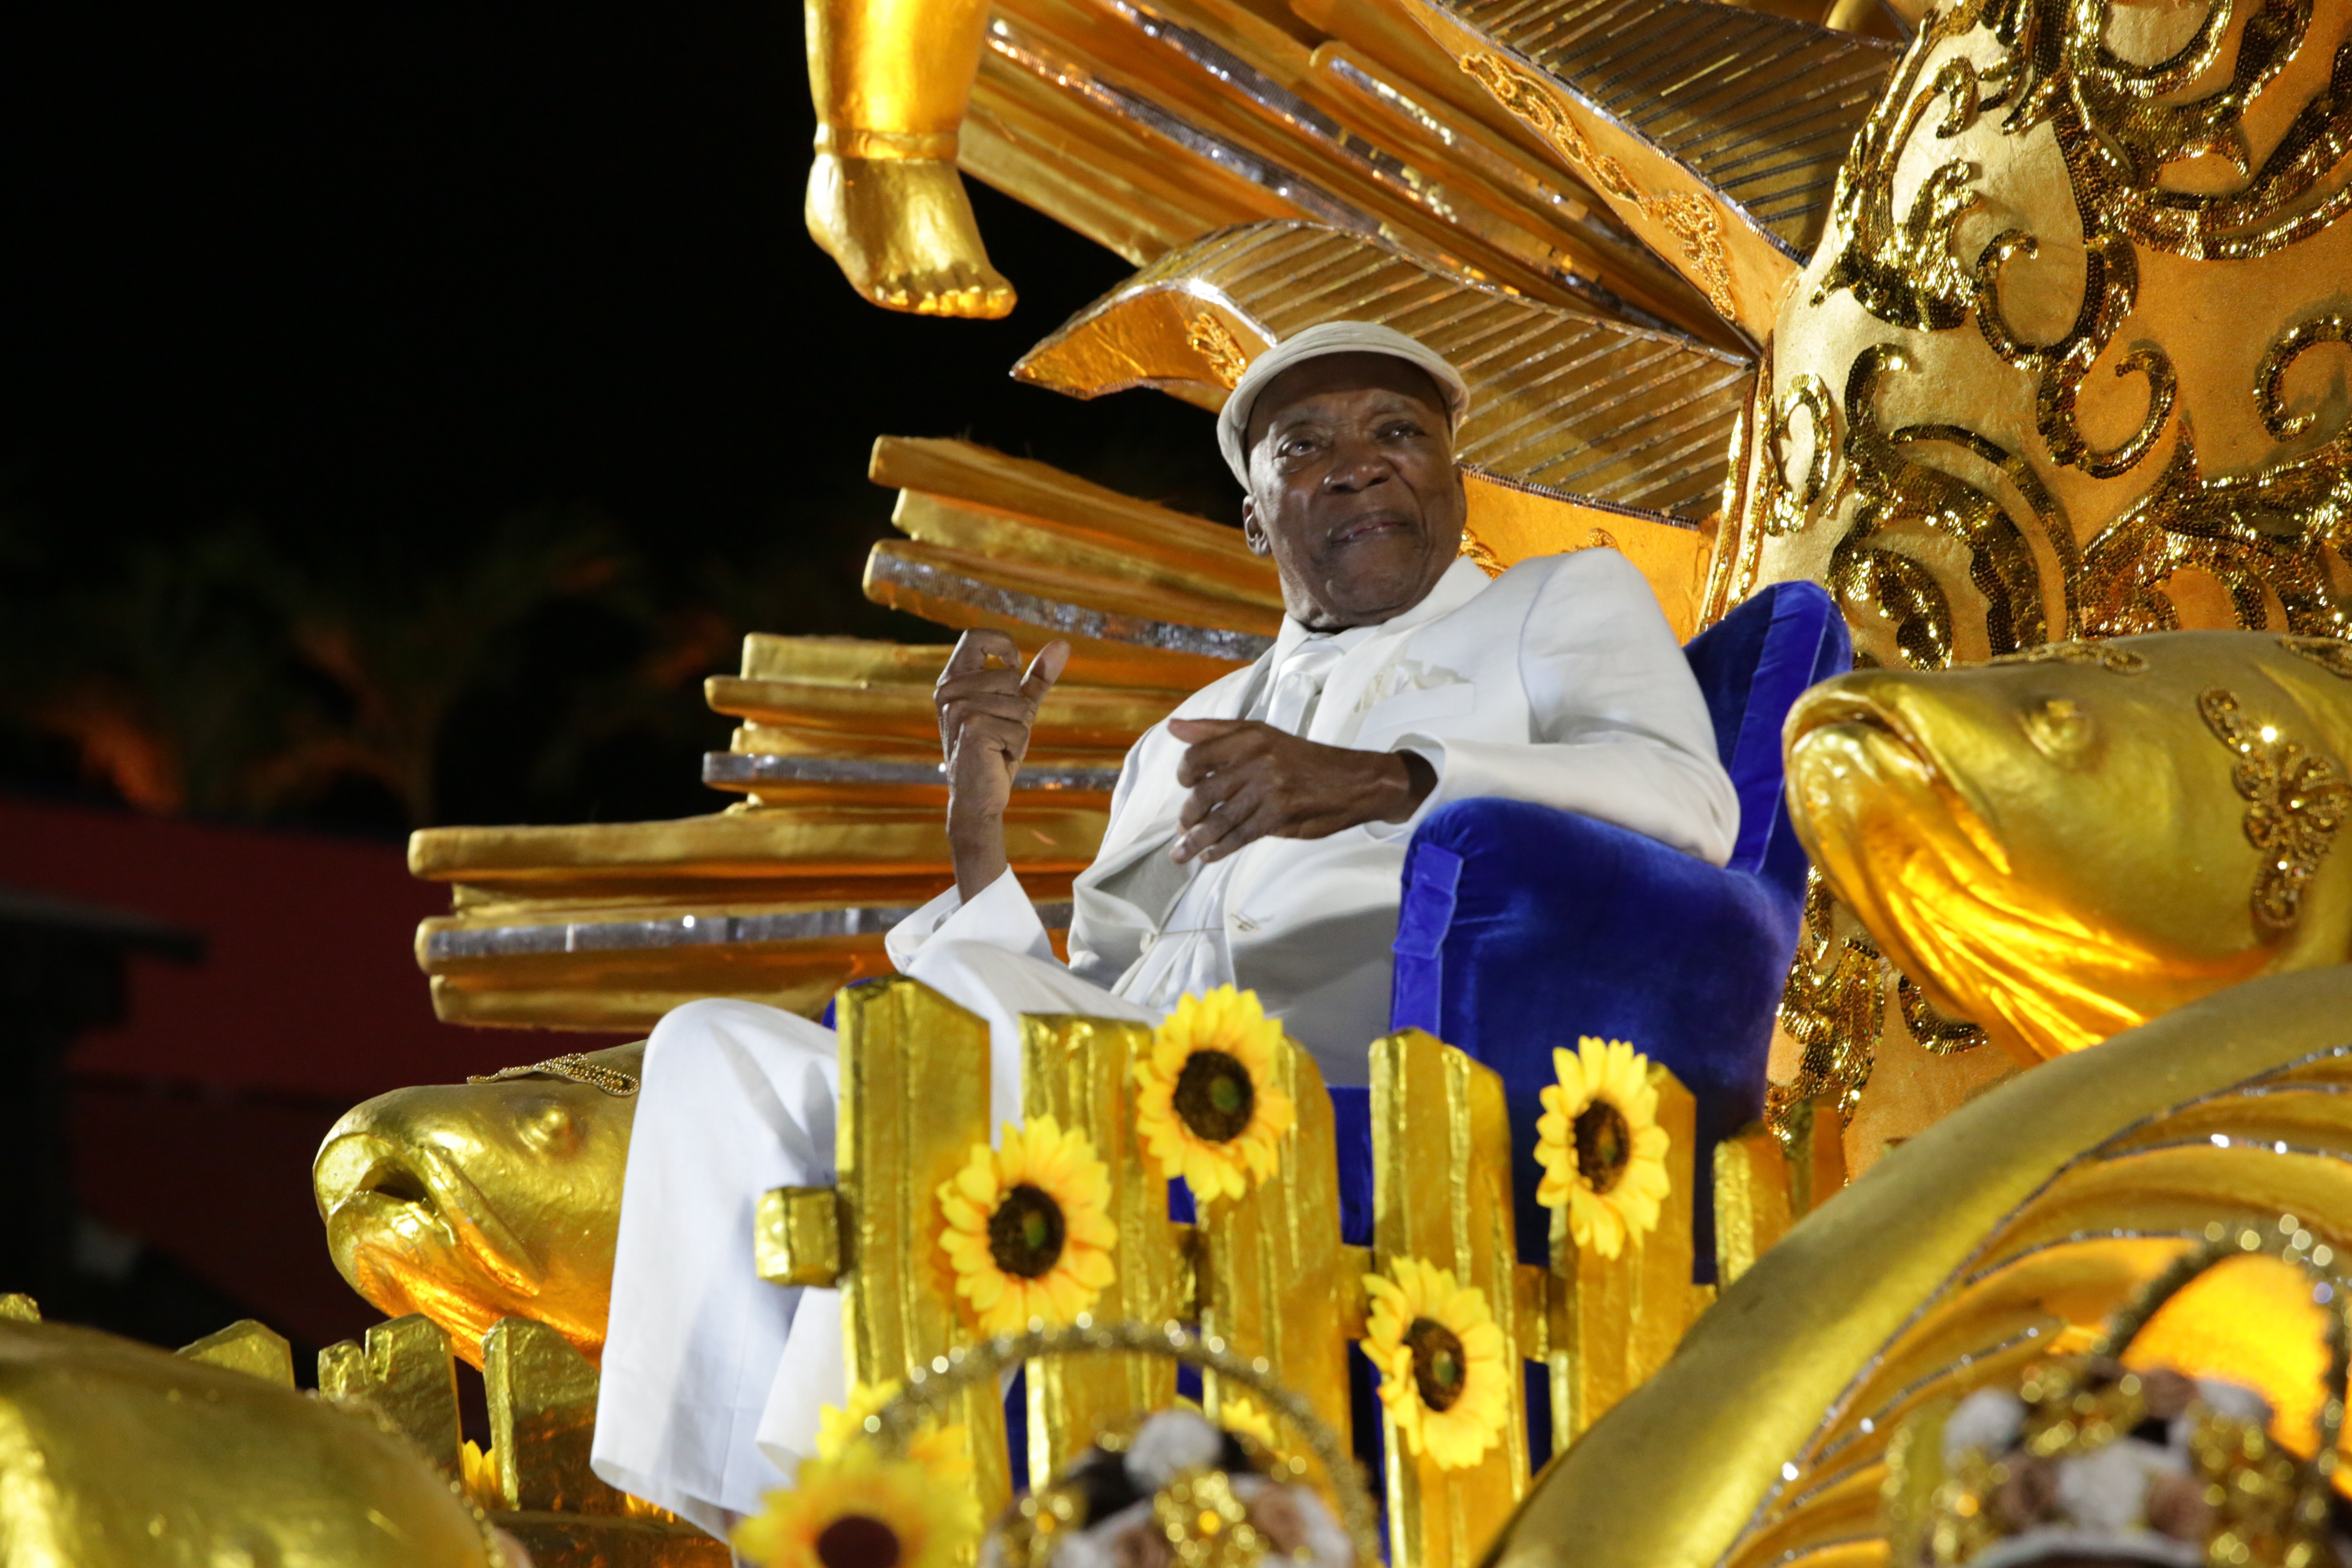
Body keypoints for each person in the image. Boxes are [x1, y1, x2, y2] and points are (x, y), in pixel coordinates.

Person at [589, 321, 1738, 1536]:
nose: (1359, 464)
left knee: (953, 1063)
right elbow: (1081, 989)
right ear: (1256, 518)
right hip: (1131, 1075)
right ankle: (767, 1521)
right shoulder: (1181, 735)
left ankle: (877, 1520)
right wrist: (980, 820)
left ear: (1455, 478)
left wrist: (1379, 780)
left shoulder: (1555, 604)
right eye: (1308, 447)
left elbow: (1692, 803)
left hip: (1343, 1083)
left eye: (1399, 433)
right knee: (714, 1053)